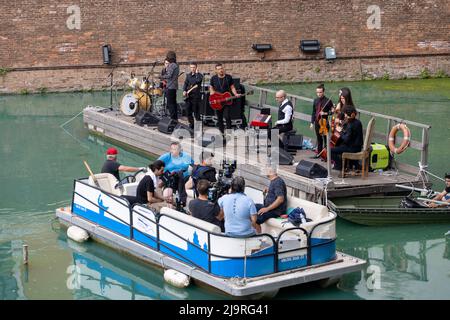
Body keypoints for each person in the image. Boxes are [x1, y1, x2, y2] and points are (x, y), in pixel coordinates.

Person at [209, 63, 241, 134]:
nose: (221, 70)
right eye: (219, 69)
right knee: (219, 118)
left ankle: (229, 132)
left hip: (227, 100)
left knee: (227, 116)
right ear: (216, 70)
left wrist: (235, 94)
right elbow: (211, 88)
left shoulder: (228, 77)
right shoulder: (213, 78)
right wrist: (212, 94)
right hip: (218, 101)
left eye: (221, 68)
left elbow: (232, 87)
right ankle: (222, 133)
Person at [254, 167, 288, 233]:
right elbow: (277, 191)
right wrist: (268, 190)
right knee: (251, 208)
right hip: (269, 208)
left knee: (256, 219)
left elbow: (280, 199)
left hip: (276, 211)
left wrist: (267, 209)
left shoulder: (278, 182)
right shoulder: (274, 181)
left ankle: (258, 237)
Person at [330, 105, 363, 171]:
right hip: (358, 146)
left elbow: (346, 139)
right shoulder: (358, 122)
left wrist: (341, 131)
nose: (344, 115)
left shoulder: (350, 124)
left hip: (352, 148)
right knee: (338, 145)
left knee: (330, 151)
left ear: (348, 114)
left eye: (345, 114)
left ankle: (341, 165)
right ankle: (351, 164)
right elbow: (350, 135)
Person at [310, 84, 333, 155]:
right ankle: (319, 153)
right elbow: (313, 112)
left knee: (326, 139)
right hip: (317, 121)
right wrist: (312, 122)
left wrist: (325, 113)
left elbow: (332, 111)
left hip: (324, 122)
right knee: (319, 138)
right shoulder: (315, 100)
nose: (319, 94)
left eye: (320, 92)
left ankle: (326, 154)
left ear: (323, 92)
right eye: (317, 92)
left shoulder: (328, 101)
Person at [182, 62, 204, 128]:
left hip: (196, 97)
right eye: (191, 67)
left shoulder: (200, 75)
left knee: (197, 114)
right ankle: (192, 124)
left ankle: (199, 128)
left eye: (194, 67)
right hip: (188, 97)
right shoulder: (188, 75)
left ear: (196, 67)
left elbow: (197, 81)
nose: (192, 69)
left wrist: (197, 74)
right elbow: (185, 84)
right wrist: (184, 90)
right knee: (188, 112)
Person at [160, 51, 180, 121]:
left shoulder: (172, 65)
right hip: (174, 87)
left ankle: (173, 119)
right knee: (173, 104)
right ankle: (175, 119)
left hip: (170, 86)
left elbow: (169, 75)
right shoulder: (176, 65)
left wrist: (161, 77)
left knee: (170, 104)